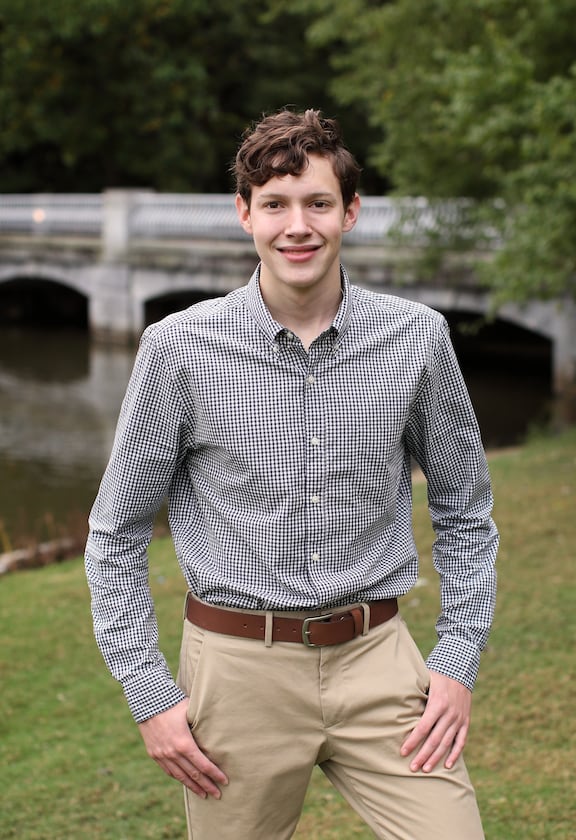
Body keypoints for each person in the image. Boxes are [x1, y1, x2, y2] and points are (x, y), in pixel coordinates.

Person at [85, 108, 498, 840]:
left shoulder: (418, 340)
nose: (296, 225)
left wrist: (459, 659)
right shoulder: (177, 349)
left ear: (351, 212)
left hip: (379, 662)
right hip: (237, 672)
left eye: (317, 203)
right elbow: (115, 533)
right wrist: (149, 692)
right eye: (274, 204)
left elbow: (466, 510)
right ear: (245, 213)